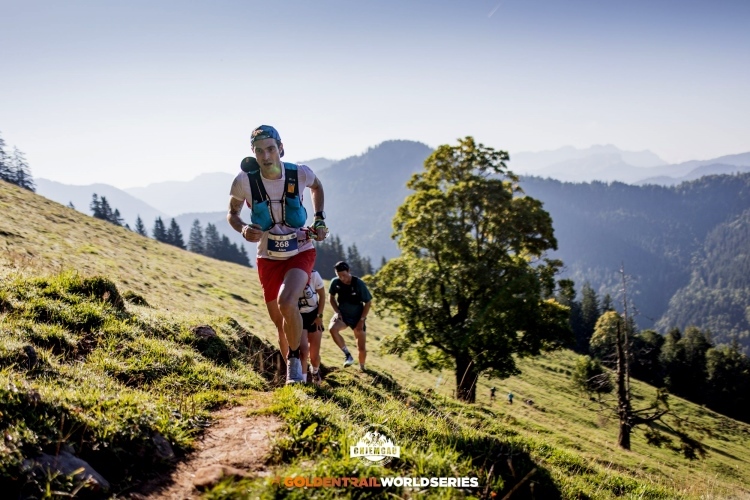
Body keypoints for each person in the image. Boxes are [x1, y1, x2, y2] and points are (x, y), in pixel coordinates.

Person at [227, 125, 327, 384]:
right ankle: (299, 377)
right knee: (280, 323)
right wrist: (243, 229)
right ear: (253, 153)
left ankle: (295, 366)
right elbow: (233, 214)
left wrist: (319, 218)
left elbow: (317, 187)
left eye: (271, 149)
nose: (266, 156)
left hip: (300, 251)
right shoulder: (244, 181)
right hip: (267, 257)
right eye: (259, 151)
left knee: (287, 302)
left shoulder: (299, 173)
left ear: (281, 148)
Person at [328, 261, 372, 371]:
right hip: (343, 316)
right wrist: (337, 312)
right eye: (339, 276)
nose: (342, 278)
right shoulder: (335, 282)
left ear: (349, 271)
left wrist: (362, 320)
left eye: (344, 275)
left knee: (361, 347)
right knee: (332, 329)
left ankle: (362, 368)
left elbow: (368, 302)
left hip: (358, 318)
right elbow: (331, 298)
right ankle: (347, 355)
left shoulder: (358, 284)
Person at [298, 269, 326, 385]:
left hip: (314, 316)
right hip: (299, 316)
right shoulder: (291, 274)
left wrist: (319, 316)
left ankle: (315, 371)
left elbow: (322, 295)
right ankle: (303, 383)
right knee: (303, 351)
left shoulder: (314, 274)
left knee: (314, 356)